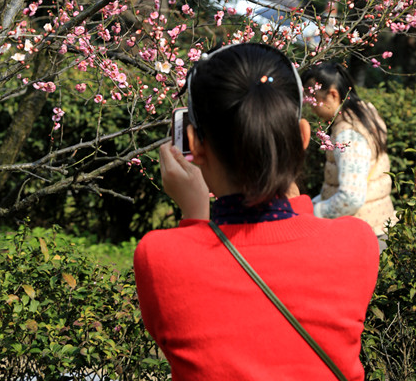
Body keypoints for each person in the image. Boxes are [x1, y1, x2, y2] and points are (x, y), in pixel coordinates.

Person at [134, 43, 379, 381]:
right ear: (304, 138)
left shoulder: (158, 256)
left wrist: (195, 216)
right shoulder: (357, 243)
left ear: (193, 145)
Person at [301, 61, 396, 246]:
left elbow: (350, 198)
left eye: (312, 95)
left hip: (365, 236)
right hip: (376, 226)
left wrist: (314, 213)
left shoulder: (348, 134)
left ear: (333, 94)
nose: (309, 102)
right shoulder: (363, 113)